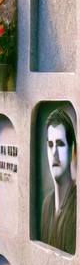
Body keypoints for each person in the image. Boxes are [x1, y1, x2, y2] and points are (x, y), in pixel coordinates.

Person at [40, 108, 77, 255]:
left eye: (60, 144)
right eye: (50, 145)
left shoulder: (76, 204)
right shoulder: (46, 205)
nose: (54, 154)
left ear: (72, 148)